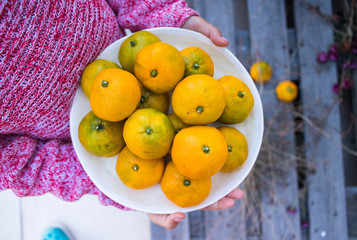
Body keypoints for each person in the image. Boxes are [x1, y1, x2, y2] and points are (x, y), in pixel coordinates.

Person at [0, 0, 244, 230]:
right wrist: (104, 183)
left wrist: (164, 15)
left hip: (139, 60)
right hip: (101, 136)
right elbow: (19, 167)